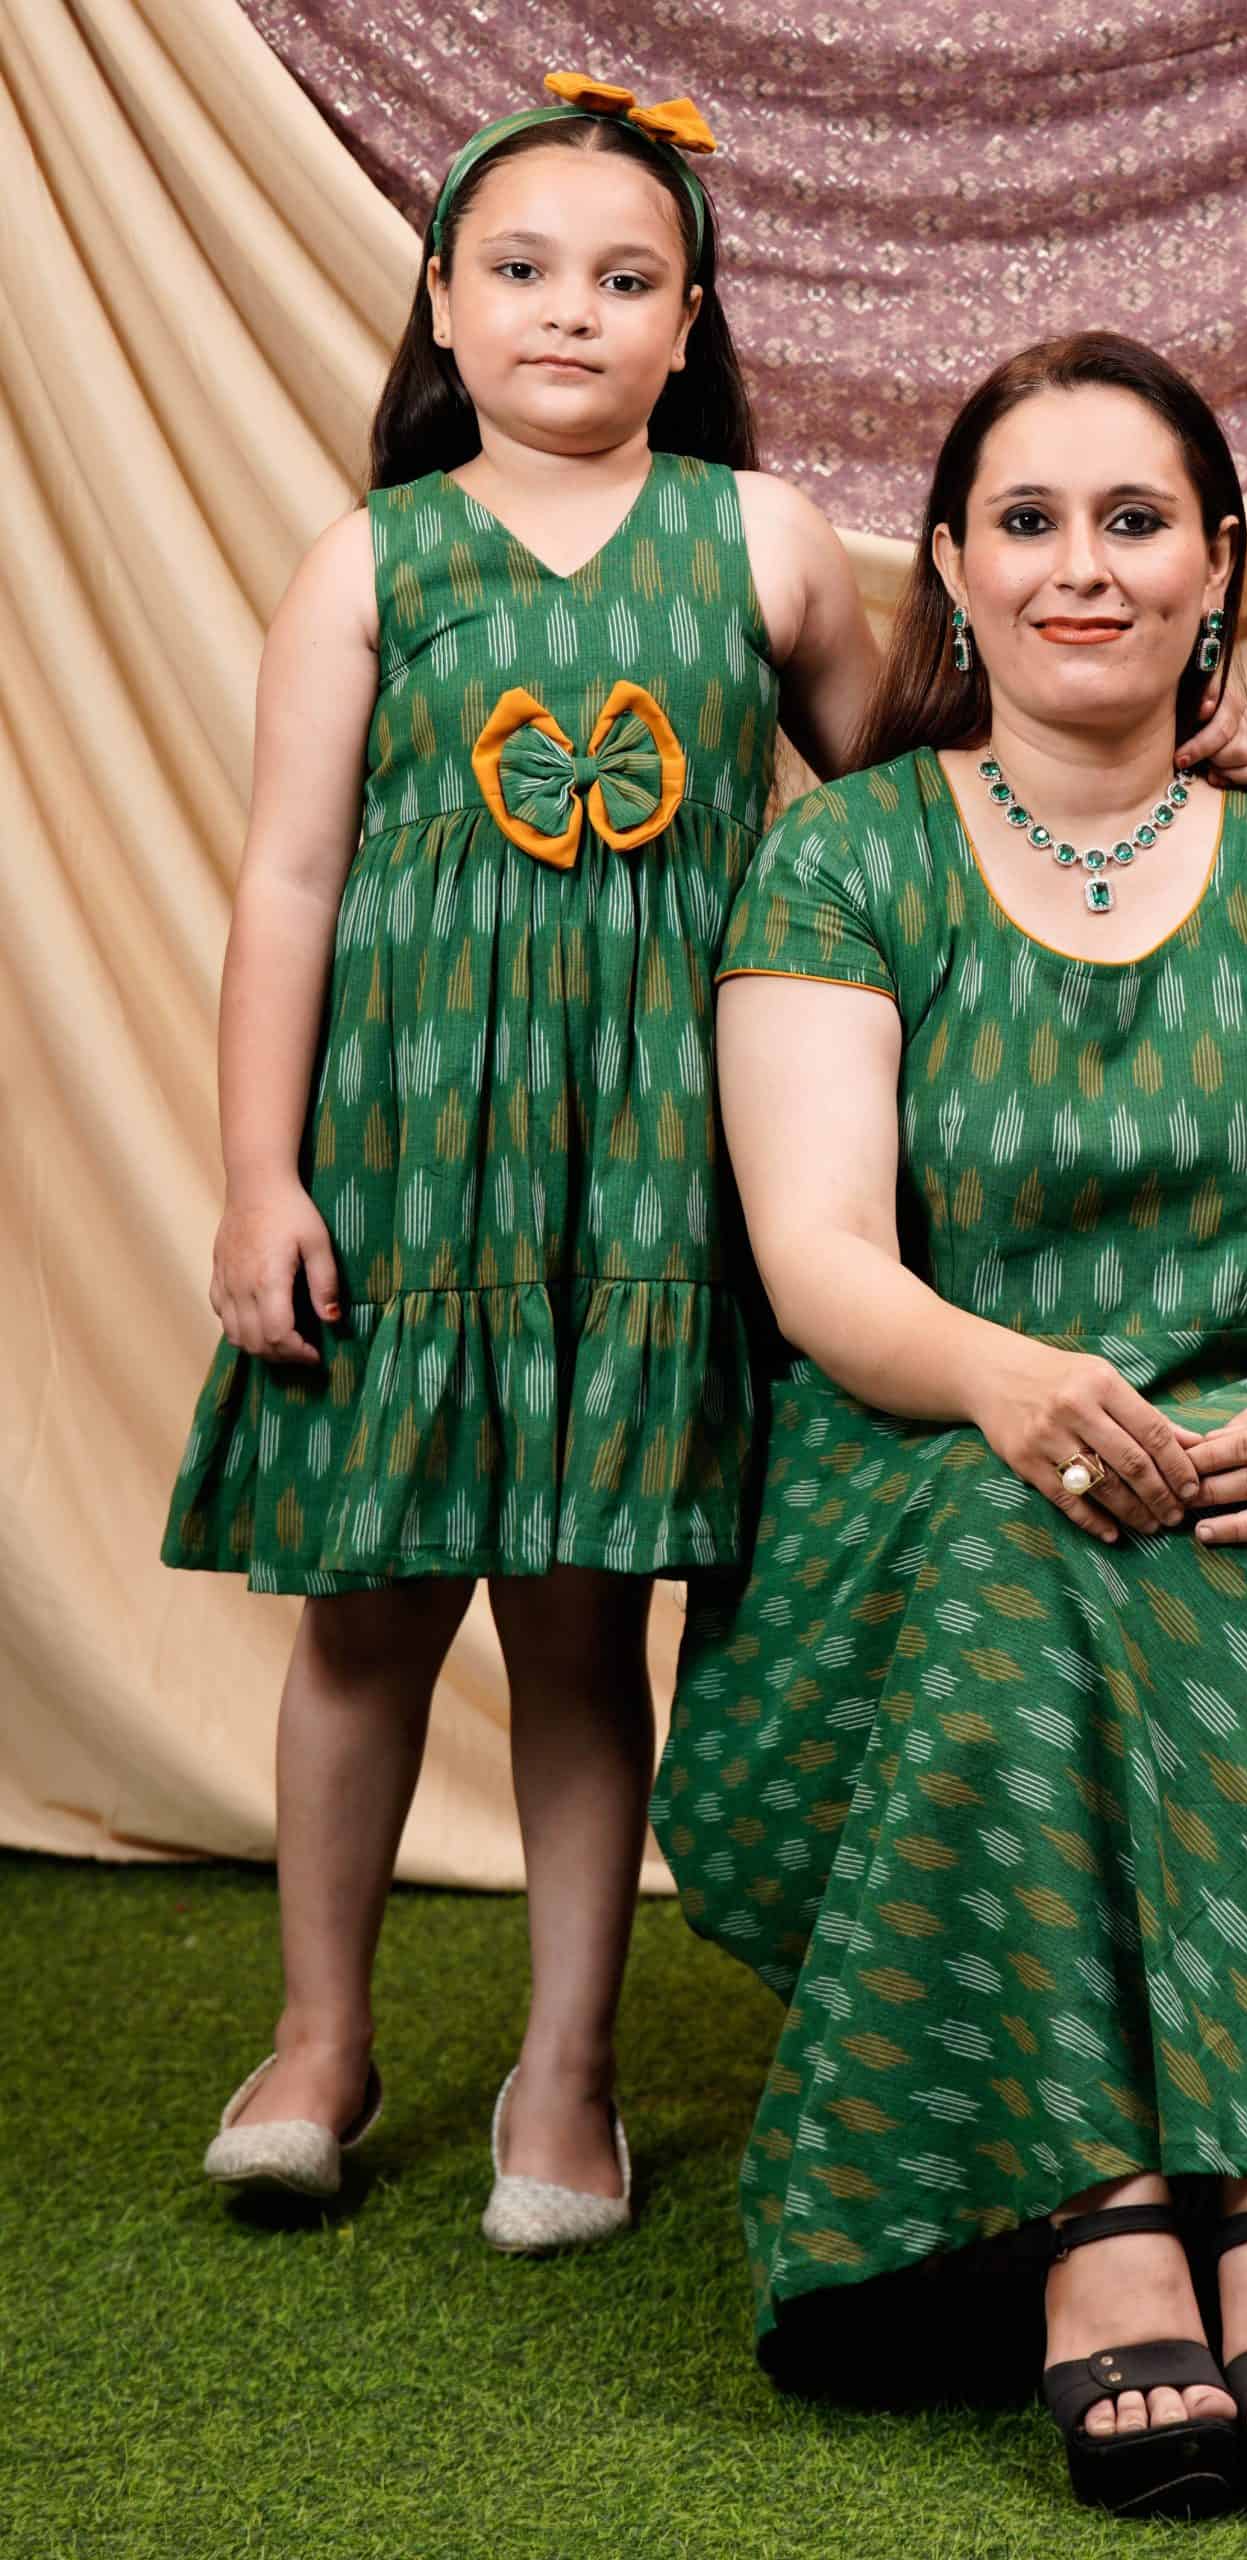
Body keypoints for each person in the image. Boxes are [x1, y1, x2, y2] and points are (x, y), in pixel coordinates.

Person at [652, 332, 1247, 2523]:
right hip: (921, 1434)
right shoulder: (844, 861)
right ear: (951, 569)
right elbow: (819, 1253)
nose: (1084, 567)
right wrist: (1006, 1379)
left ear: (1217, 565)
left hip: (1244, 1416)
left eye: (1136, 520)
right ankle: (1098, 2213)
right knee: (1024, 1557)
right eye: (1030, 521)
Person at [163, 71, 891, 2248]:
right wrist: (259, 1176)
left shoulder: (761, 541)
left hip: (652, 1171)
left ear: (691, 321)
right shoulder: (368, 558)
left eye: (625, 279)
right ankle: (319, 2037)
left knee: (583, 1629)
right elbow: (289, 880)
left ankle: (567, 2069)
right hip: (408, 1166)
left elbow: (902, 817)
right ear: (440, 300)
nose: (570, 311)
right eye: (522, 269)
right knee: (364, 1621)